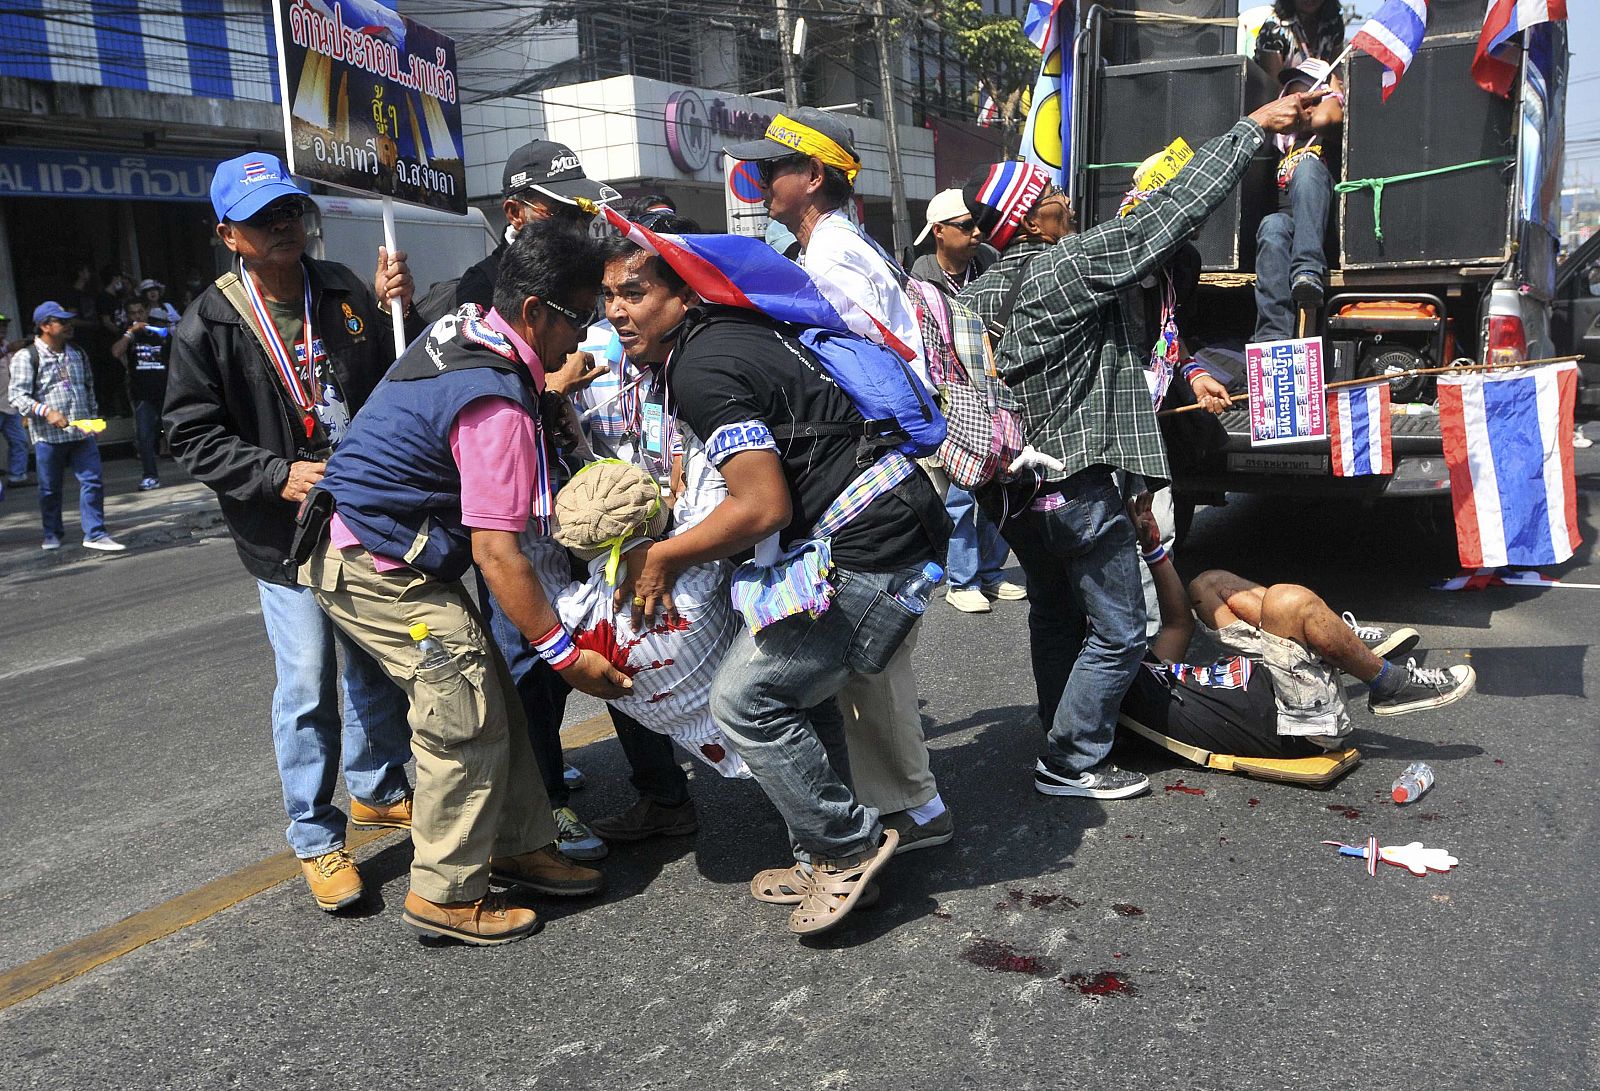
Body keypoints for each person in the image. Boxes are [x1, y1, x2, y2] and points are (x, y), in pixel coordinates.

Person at [963, 92, 1326, 801]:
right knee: (1125, 628)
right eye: (1053, 197)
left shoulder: (986, 288)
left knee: (1054, 612)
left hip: (1017, 495)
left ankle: (1061, 730)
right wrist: (1251, 129)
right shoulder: (1061, 268)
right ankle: (1072, 757)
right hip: (1077, 487)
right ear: (1030, 223)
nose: (1067, 202)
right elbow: (1167, 216)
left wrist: (1185, 365)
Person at [304, 219, 622, 946]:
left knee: (493, 696)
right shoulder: (494, 402)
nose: (587, 337)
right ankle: (445, 892)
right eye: (581, 318)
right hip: (367, 557)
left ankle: (515, 843)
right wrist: (568, 654)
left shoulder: (473, 328)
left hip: (386, 542)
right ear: (535, 312)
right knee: (460, 700)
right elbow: (498, 554)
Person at [614, 253, 950, 937]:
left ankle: (848, 848)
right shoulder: (728, 333)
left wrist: (664, 557)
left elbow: (762, 505)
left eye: (634, 292)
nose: (616, 310)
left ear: (682, 294)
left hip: (871, 541)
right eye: (607, 296)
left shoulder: (700, 367)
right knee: (801, 688)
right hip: (881, 519)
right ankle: (819, 850)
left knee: (745, 699)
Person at [164, 152, 416, 913]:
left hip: (358, 517)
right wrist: (276, 473)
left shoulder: (340, 289)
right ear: (228, 234)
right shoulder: (207, 323)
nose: (283, 227)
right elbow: (189, 434)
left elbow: (388, 379)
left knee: (372, 665)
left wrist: (395, 309)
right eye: (263, 219)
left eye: (290, 212)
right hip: (285, 537)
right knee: (307, 683)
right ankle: (315, 834)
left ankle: (375, 786)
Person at [726, 107, 954, 854]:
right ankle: (900, 797)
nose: (759, 179)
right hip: (883, 468)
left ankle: (913, 809)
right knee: (869, 647)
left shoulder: (830, 260)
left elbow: (848, 380)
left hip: (877, 472)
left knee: (871, 648)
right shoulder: (834, 247)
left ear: (813, 178)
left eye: (773, 169)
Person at [452, 138, 619, 860]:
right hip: (507, 511)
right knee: (526, 651)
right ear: (516, 212)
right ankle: (540, 806)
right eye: (560, 209)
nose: (576, 220)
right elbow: (490, 399)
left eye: (581, 207)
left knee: (574, 640)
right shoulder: (473, 289)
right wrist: (554, 383)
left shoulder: (580, 271)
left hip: (567, 496)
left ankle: (549, 771)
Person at [1124, 500, 1475, 759]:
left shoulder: (1141, 666)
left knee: (1207, 587)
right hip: (1298, 722)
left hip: (1277, 676)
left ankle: (1338, 639)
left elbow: (1177, 621)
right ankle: (1389, 684)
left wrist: (1152, 547)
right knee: (1285, 601)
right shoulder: (1123, 692)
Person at [7, 301, 124, 552]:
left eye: (68, 320)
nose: (69, 325)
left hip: (81, 432)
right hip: (48, 437)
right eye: (62, 321)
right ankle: (52, 533)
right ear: (44, 326)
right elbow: (17, 396)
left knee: (92, 481)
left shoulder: (77, 353)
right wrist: (46, 411)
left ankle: (95, 532)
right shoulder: (27, 357)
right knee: (50, 489)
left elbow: (88, 387)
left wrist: (93, 419)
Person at [454, 138, 619, 311]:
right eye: (562, 213)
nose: (578, 225)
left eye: (585, 212)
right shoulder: (482, 284)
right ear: (515, 214)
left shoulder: (597, 273)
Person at [1253, 58, 1345, 339]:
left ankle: (1307, 270)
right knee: (1272, 225)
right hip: (1289, 238)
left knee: (1306, 168)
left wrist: (1334, 85)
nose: (1300, 103)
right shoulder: (1285, 145)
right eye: (1293, 96)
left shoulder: (1328, 135)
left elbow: (1324, 117)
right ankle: (1272, 337)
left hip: (1321, 235)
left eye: (1308, 95)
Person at [111, 300, 170, 490]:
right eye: (132, 313)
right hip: (142, 394)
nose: (137, 316)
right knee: (144, 436)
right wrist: (130, 333)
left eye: (140, 312)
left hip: (166, 391)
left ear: (146, 312)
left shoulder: (160, 332)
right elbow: (116, 352)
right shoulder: (130, 337)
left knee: (179, 431)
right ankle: (150, 476)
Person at [910, 188, 992, 298]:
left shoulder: (990, 258)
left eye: (979, 222)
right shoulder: (921, 277)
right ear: (938, 230)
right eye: (967, 225)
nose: (977, 232)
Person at [1253, 0, 1346, 81]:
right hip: (1285, 96)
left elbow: (1336, 70)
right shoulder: (1273, 28)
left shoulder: (1334, 24)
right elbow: (1274, 84)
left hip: (1322, 93)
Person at [0, 311, 30, 487]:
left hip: (10, 405)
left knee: (19, 441)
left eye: (4, 325)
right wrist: (7, 350)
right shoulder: (8, 348)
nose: (2, 328)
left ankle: (17, 477)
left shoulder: (8, 346)